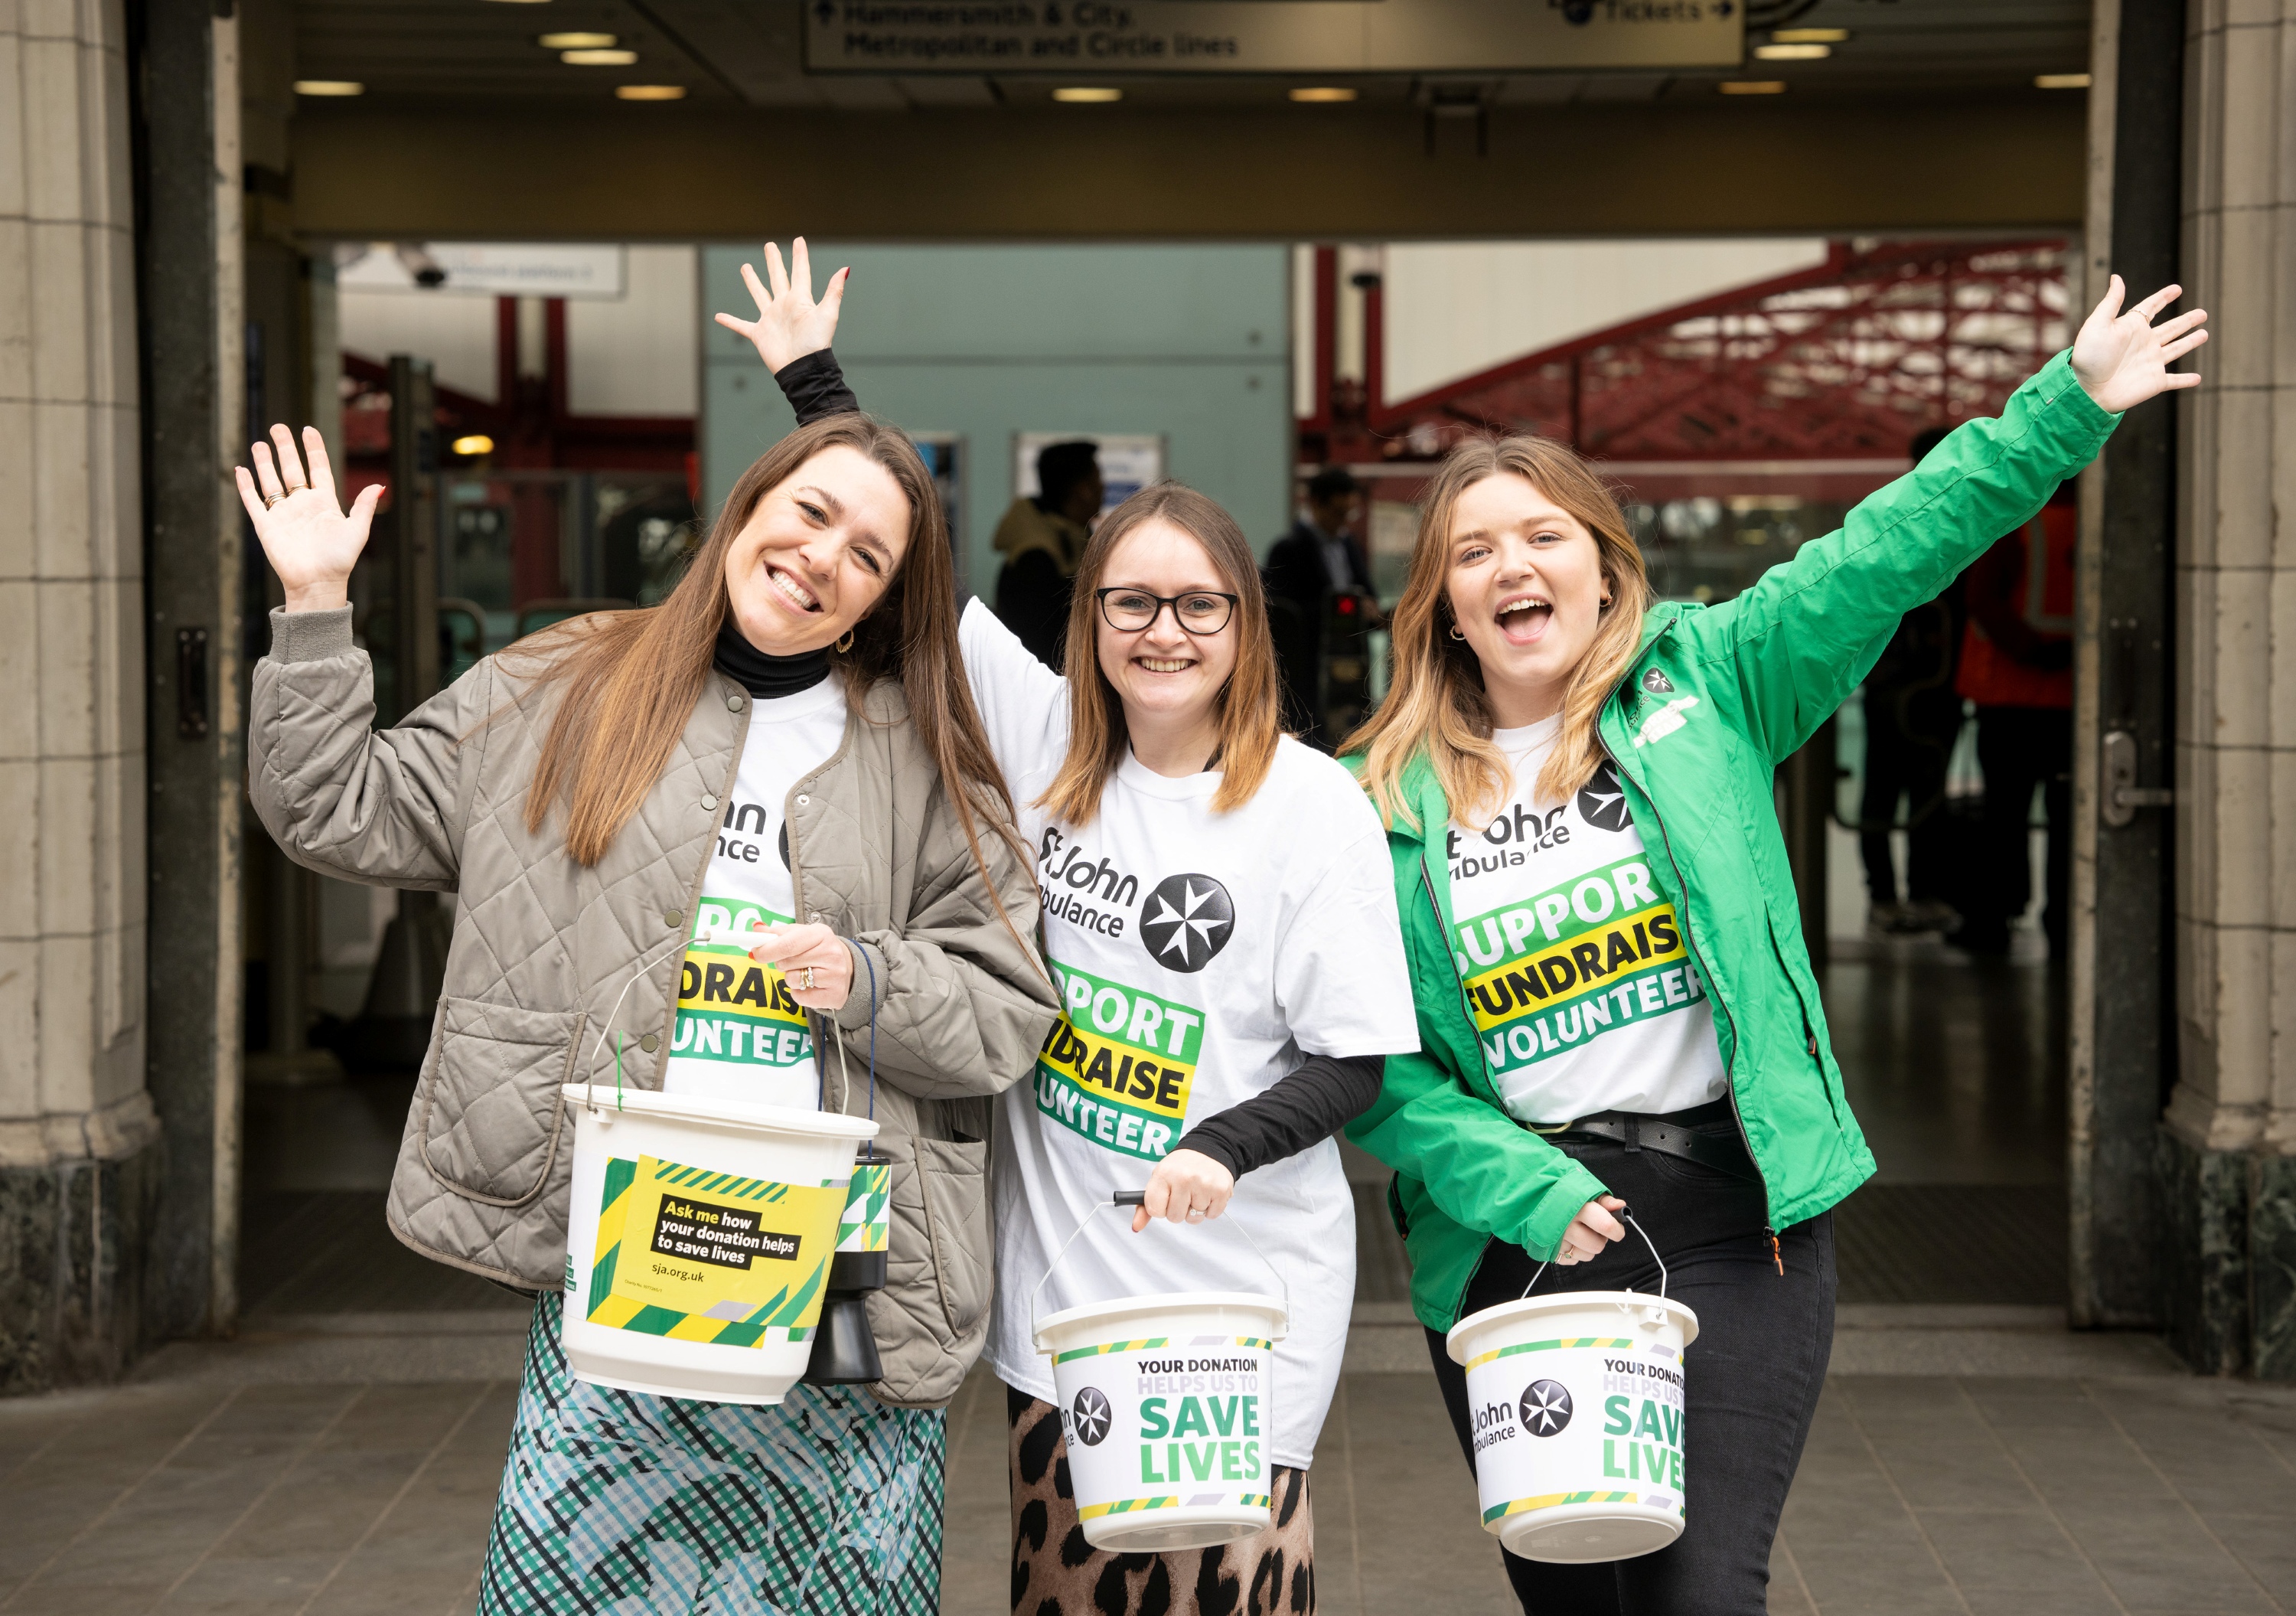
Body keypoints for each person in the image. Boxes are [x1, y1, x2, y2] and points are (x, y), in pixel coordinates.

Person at [1336, 276, 2204, 1615]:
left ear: (1604, 563)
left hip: (1737, 1225)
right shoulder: (1372, 802)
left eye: (1544, 534)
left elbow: (1892, 546)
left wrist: (2065, 405)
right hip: (1518, 1240)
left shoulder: (1717, 678)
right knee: (1580, 1602)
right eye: (1473, 551)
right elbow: (1372, 1063)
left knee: (1699, 1593)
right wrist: (1529, 1191)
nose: (1514, 566)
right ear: (1442, 604)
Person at [243, 239, 1060, 1613]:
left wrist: (867, 976)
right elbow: (340, 811)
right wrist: (315, 611)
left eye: (867, 555)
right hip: (622, 1252)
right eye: (808, 517)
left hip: (839, 1275)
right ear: (749, 509)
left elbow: (1007, 1008)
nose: (822, 560)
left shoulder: (926, 758)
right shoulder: (566, 683)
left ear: (883, 595)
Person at [730, 260, 1420, 1616]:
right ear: (1089, 618)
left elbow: (1357, 1064)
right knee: (1066, 1598)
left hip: (1241, 1310)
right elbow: (905, 561)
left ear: (1243, 624)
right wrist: (814, 385)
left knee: (1234, 1598)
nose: (1164, 631)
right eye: (1132, 602)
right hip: (1064, 1310)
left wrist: (1220, 1147)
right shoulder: (1042, 740)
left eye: (1198, 604)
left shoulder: (1310, 803)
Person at [1952, 478, 2077, 958]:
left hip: (2008, 699)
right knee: (2071, 822)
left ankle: (1993, 920)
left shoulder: (2016, 519)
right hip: (2071, 703)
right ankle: (2065, 926)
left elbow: (1982, 601)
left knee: (2004, 818)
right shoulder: (2104, 523)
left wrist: (2030, 650)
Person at [1855, 426, 1967, 933]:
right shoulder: (1956, 515)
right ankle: (1904, 894)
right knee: (1915, 790)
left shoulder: (1892, 511)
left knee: (1906, 791)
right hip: (1920, 684)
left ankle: (1898, 895)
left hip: (1902, 682)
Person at [1265, 467, 1378, 749]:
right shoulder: (1288, 549)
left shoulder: (1348, 544)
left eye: (1349, 513)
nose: (1344, 521)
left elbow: (1366, 588)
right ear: (1315, 503)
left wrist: (1367, 608)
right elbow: (1284, 614)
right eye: (1339, 512)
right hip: (1307, 666)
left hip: (1347, 653)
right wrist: (1342, 609)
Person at [994, 438, 1104, 668]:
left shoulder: (1071, 542)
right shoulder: (1035, 560)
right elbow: (1044, 644)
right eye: (1098, 479)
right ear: (1082, 491)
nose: (1104, 487)